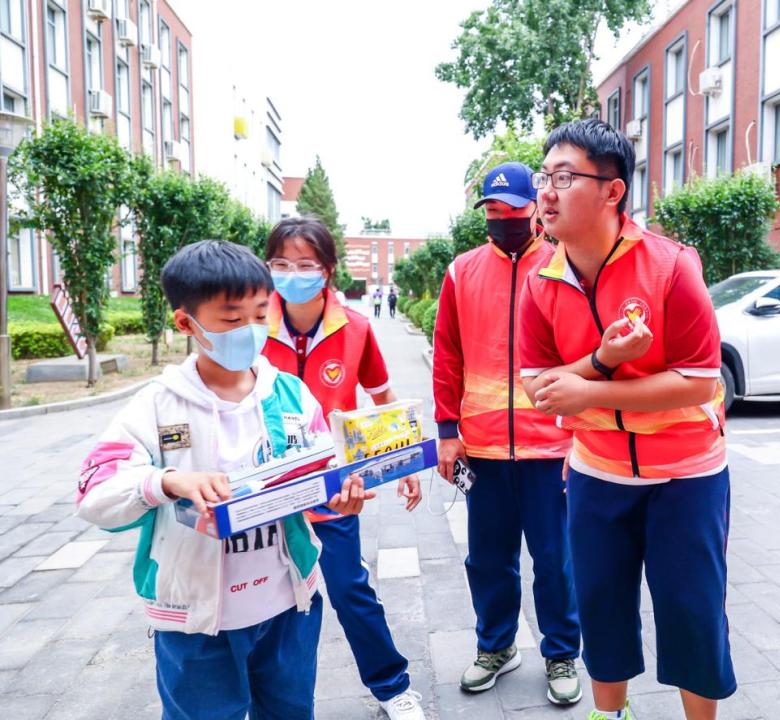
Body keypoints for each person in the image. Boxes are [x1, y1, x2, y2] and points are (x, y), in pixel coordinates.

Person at [75, 240, 373, 720]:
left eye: (260, 315)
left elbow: (322, 469)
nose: (251, 331)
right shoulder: (157, 404)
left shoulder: (290, 394)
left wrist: (341, 492)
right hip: (196, 624)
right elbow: (94, 494)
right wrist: (168, 481)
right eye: (232, 320)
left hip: (287, 608)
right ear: (185, 322)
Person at [517, 119, 736, 720]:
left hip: (686, 478)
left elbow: (699, 379)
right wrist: (601, 363)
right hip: (596, 473)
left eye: (565, 177)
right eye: (546, 177)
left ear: (613, 192)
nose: (547, 192)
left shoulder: (670, 267)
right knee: (601, 607)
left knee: (693, 612)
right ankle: (609, 714)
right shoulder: (541, 281)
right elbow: (539, 384)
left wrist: (587, 393)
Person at [261, 217, 426, 720]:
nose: (293, 274)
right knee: (270, 609)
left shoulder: (354, 328)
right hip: (265, 496)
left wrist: (405, 461)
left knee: (351, 592)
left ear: (328, 271)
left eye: (305, 265)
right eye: (281, 264)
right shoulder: (250, 325)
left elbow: (381, 397)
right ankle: (269, 701)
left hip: (336, 492)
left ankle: (393, 687)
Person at [433, 161, 582, 705]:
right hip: (483, 448)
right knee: (487, 559)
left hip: (552, 448)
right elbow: (447, 357)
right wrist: (447, 431)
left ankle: (562, 651)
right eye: (491, 211)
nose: (501, 219)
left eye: (511, 209)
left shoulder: (565, 266)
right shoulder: (462, 272)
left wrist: (581, 438)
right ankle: (496, 645)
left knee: (556, 559)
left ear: (533, 207)